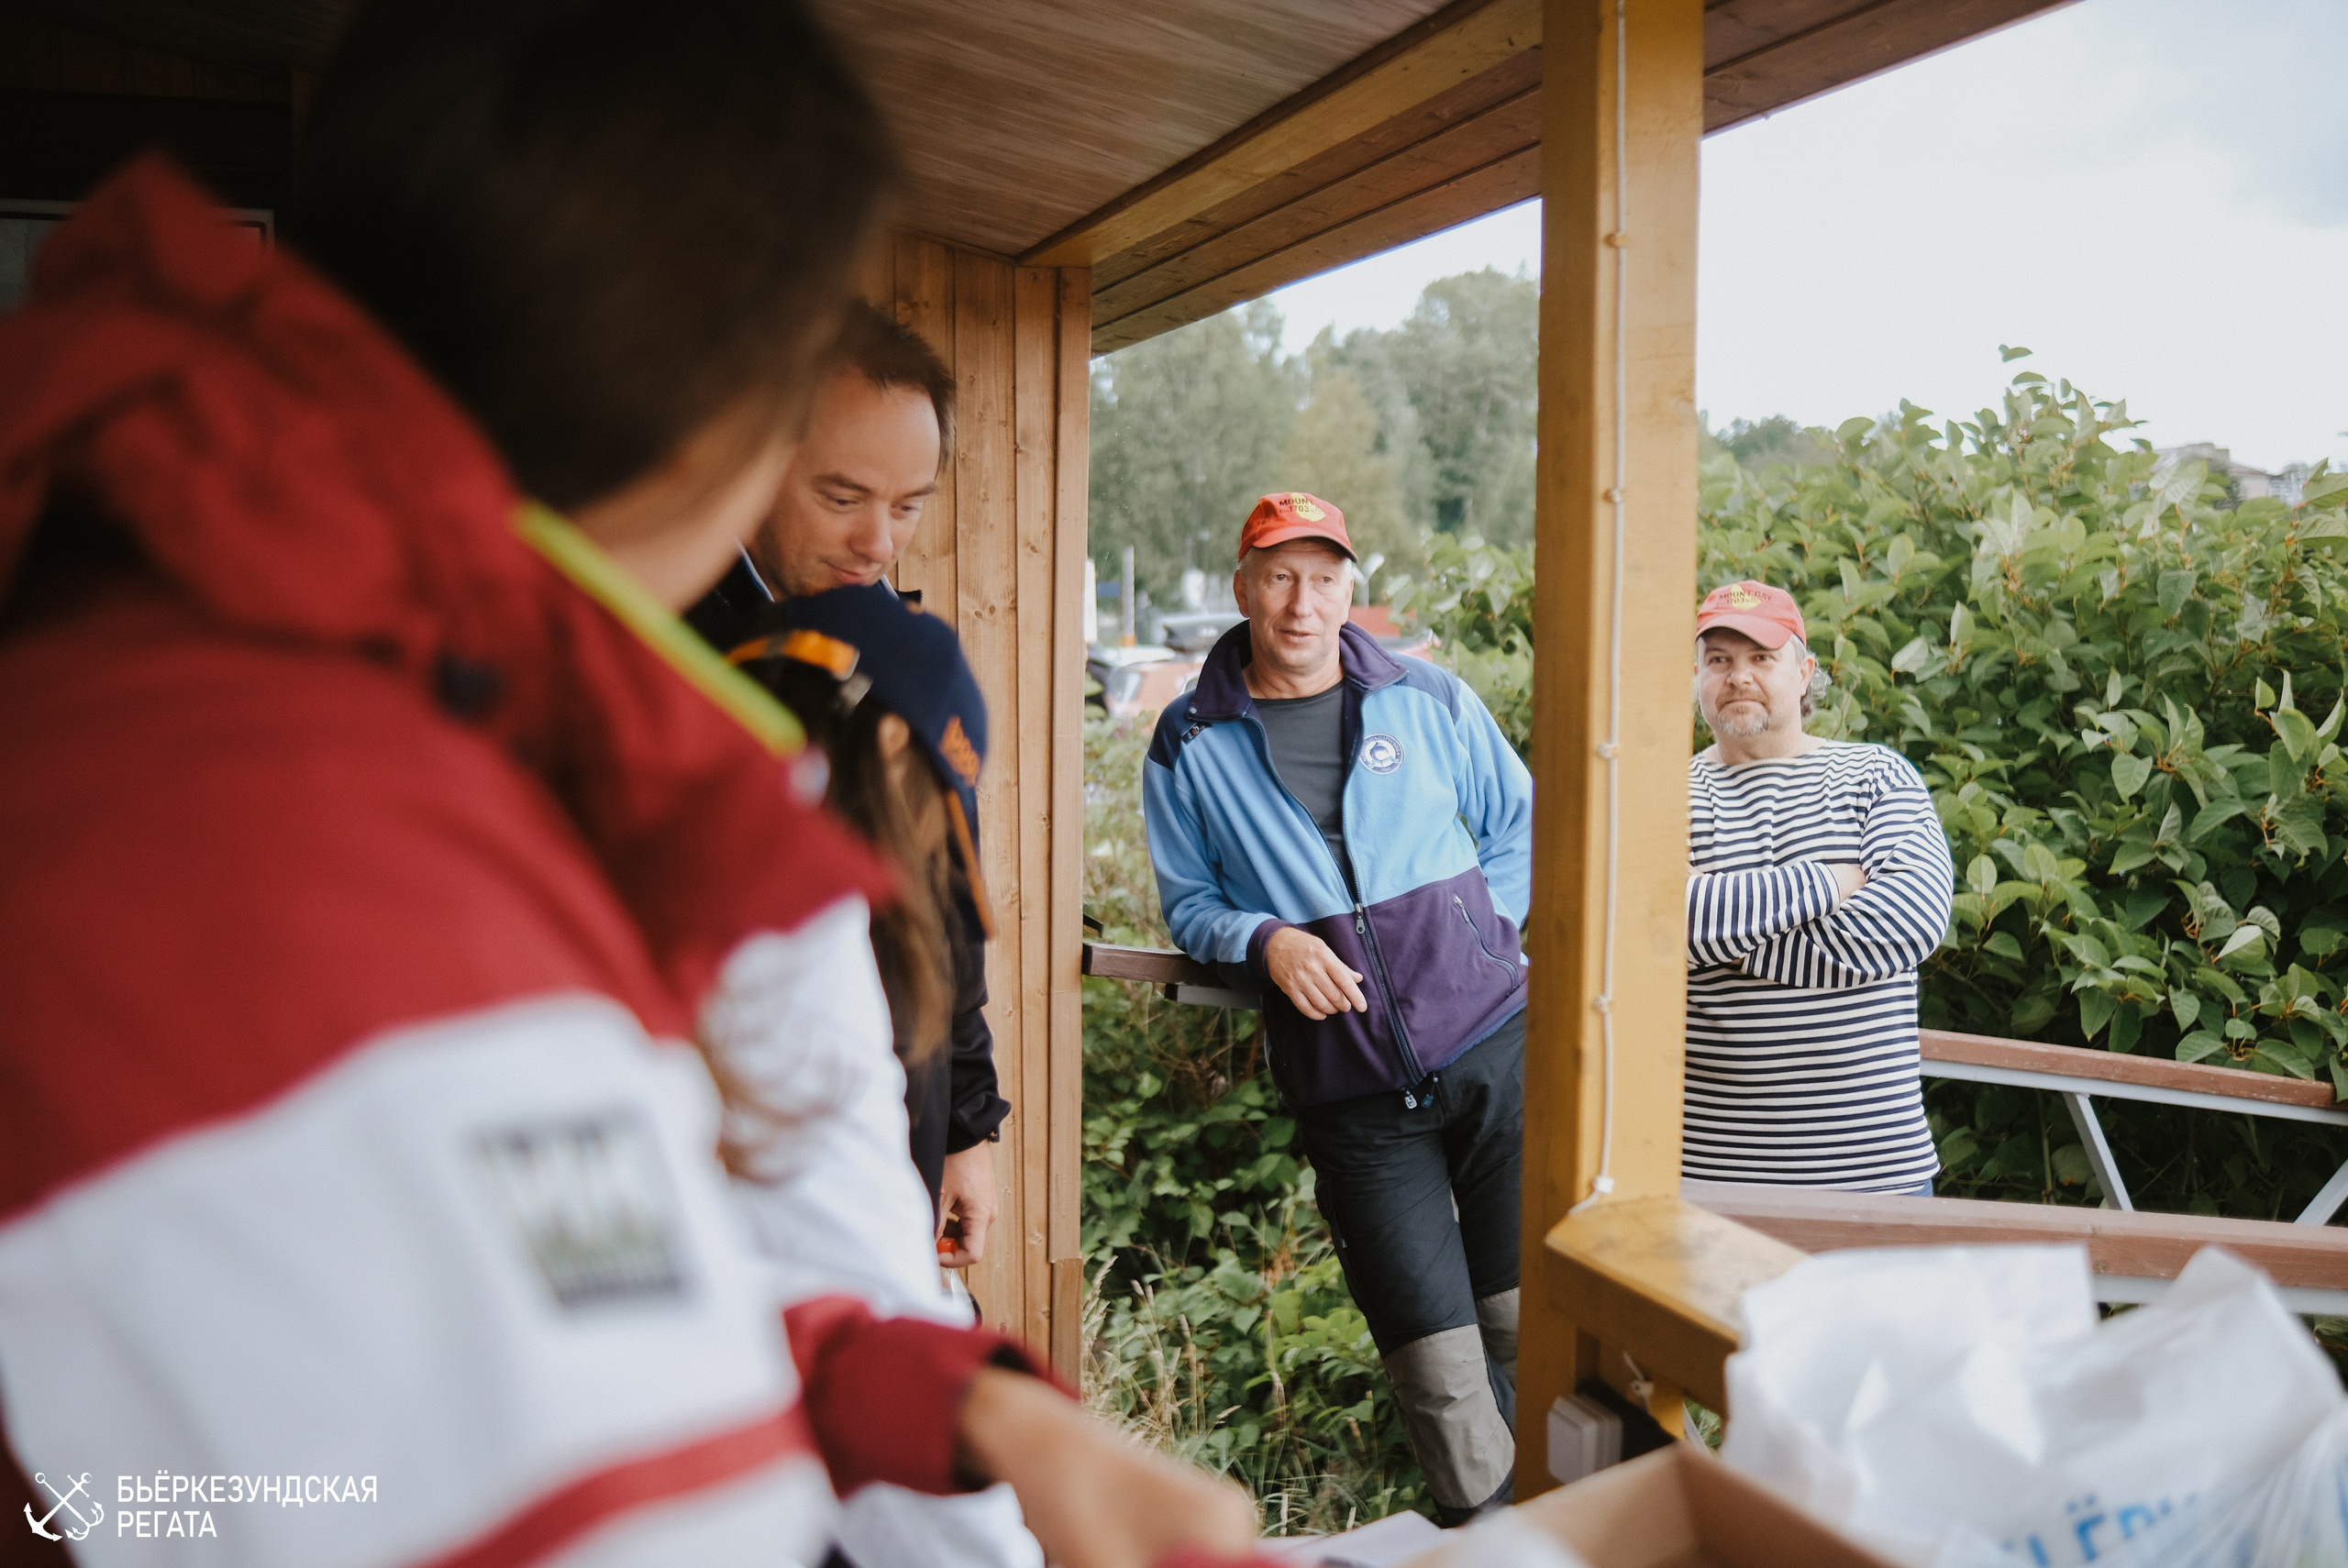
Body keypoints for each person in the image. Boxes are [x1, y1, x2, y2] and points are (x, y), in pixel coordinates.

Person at [0, 3, 1257, 1564]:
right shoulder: (329, 823)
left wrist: (946, 1399)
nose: (877, 531)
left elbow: (535, 1323)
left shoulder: (346, 669)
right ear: (734, 419)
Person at [1143, 492, 1534, 1528]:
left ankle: (1585, 1531)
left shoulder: (1430, 695)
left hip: (1495, 1048)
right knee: (1435, 1360)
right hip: (1350, 1092)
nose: (1301, 603)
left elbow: (1519, 823)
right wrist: (1264, 942)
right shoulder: (1188, 738)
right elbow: (1189, 903)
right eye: (1278, 576)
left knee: (1530, 1322)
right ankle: (1492, 1546)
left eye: (1322, 578)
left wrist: (1479, 930)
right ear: (1242, 588)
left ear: (1351, 588)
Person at [686, 303, 1007, 1271]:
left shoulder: (890, 645)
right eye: (842, 496)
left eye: (907, 504)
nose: (879, 542)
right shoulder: (667, 638)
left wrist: (967, 1123)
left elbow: (946, 884)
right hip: (734, 1145)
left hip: (897, 1106)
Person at [727, 583, 1039, 1568]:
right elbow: (853, 1270)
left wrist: (965, 1130)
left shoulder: (722, 873)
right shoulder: (802, 957)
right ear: (903, 751)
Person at [1684, 579, 1955, 1193]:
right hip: (1711, 1176)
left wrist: (1713, 926)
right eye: (1719, 659)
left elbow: (1906, 925)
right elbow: (1651, 923)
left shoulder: (1875, 775)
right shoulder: (1667, 793)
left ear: (1805, 673)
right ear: (1697, 675)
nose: (1738, 676)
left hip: (1876, 1175)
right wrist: (1830, 882)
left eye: (1761, 658)